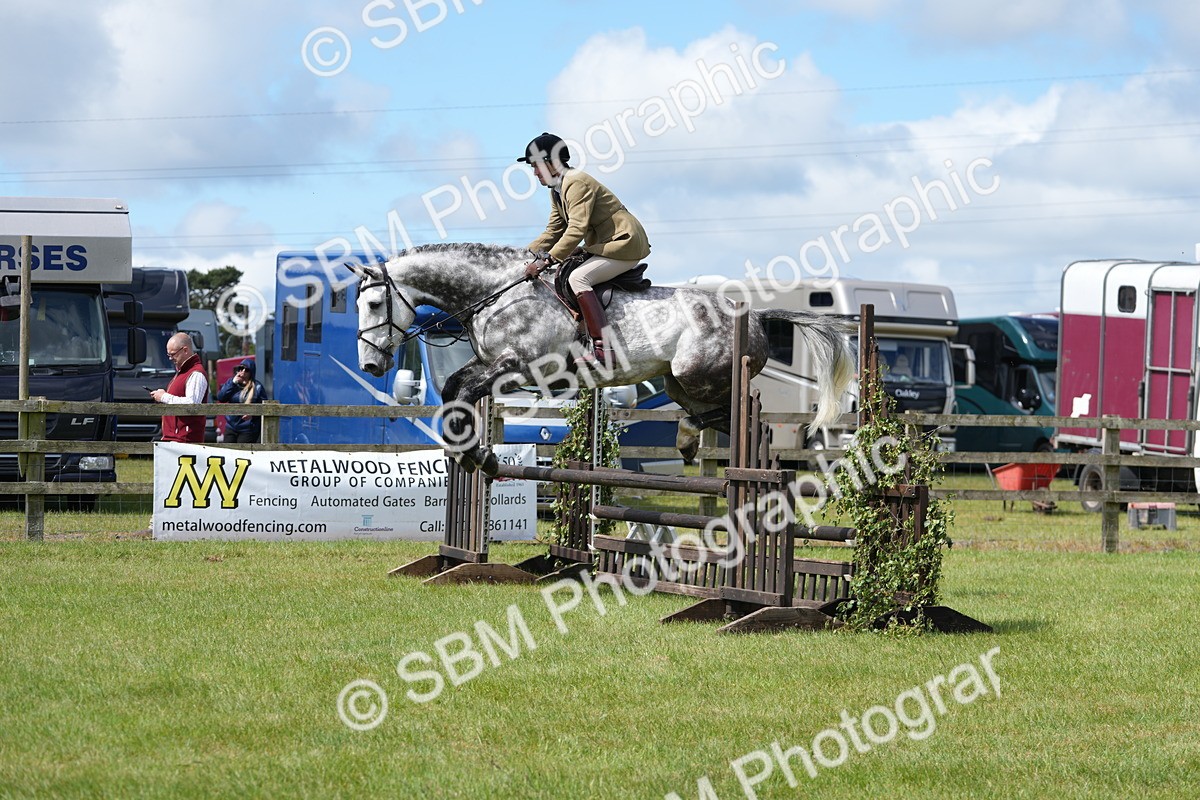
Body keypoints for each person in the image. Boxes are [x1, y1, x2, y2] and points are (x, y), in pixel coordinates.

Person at [518, 132, 651, 366]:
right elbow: (554, 230)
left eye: (537, 166)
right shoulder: (557, 189)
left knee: (579, 278)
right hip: (604, 245)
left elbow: (576, 228)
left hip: (623, 243)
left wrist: (545, 261)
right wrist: (522, 256)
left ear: (552, 163)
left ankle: (604, 349)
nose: (535, 172)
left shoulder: (576, 182)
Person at [151, 332, 209, 443]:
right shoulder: (183, 371)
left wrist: (164, 397)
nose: (170, 358)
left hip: (185, 439)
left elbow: (192, 404)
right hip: (175, 438)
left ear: (185, 350)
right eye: (168, 355)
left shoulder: (196, 374)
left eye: (173, 354)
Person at [216, 358, 266, 443]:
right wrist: (233, 383)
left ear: (251, 372)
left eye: (246, 370)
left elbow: (265, 408)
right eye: (240, 368)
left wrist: (253, 414)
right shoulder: (231, 383)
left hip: (248, 429)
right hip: (231, 426)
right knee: (227, 452)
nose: (242, 371)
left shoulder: (257, 387)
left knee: (243, 454)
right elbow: (221, 397)